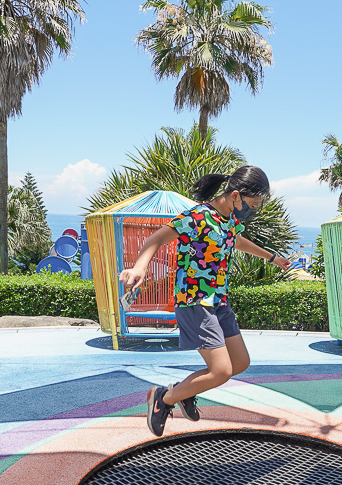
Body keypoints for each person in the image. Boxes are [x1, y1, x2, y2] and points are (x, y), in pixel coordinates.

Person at [118, 166, 291, 436]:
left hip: (219, 301)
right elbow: (156, 238)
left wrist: (271, 257)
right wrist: (140, 267)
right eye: (252, 205)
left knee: (239, 363)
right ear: (235, 195)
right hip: (194, 301)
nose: (253, 210)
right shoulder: (196, 217)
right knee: (221, 371)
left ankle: (185, 392)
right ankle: (163, 399)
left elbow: (237, 241)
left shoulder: (230, 221)